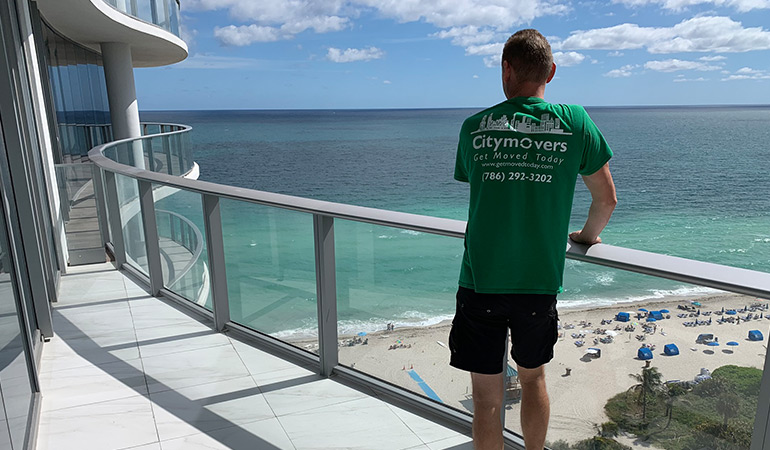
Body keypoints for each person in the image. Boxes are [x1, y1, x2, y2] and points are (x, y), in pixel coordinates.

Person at [448, 29, 617, 450]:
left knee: (487, 398)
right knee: (534, 378)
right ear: (552, 72)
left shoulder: (474, 127)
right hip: (538, 282)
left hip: (480, 278)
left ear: (506, 70)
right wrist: (585, 236)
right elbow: (607, 199)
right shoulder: (575, 121)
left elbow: (480, 182)